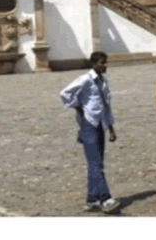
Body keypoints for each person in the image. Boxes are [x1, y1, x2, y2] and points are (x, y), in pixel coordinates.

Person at [60, 51, 120, 213]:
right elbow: (65, 93)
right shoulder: (85, 79)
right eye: (102, 63)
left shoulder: (103, 82)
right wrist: (78, 107)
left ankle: (92, 198)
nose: (105, 65)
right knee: (96, 164)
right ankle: (105, 198)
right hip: (88, 125)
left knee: (97, 161)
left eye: (106, 62)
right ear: (94, 64)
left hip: (99, 124)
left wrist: (111, 128)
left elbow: (106, 106)